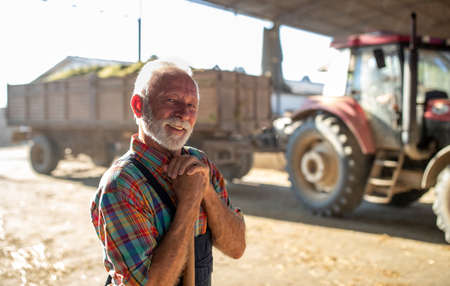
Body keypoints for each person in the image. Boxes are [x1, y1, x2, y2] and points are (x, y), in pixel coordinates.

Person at [90, 59, 246, 286]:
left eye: (192, 105)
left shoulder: (201, 164)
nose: (184, 114)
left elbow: (237, 247)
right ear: (138, 106)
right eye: (171, 100)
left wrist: (207, 192)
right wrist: (189, 203)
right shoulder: (123, 185)